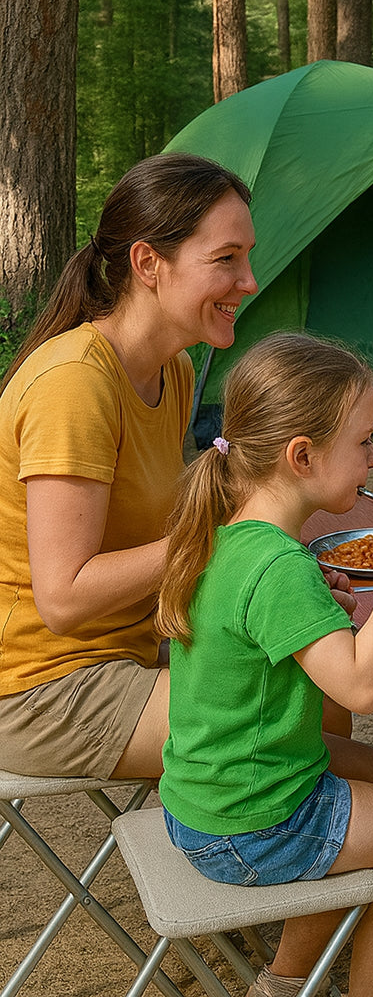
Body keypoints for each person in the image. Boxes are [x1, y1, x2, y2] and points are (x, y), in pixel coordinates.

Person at [156, 332, 373, 997]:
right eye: (365, 442)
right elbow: (363, 688)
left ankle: (287, 980)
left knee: (372, 770)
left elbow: (274, 628)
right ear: (302, 456)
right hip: (249, 823)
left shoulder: (229, 532)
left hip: (197, 799)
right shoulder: (280, 567)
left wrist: (322, 610)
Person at [0, 153, 268, 780]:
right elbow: (64, 599)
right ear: (149, 263)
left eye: (247, 256)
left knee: (316, 670)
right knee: (318, 738)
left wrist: (272, 572)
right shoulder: (75, 383)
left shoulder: (169, 369)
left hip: (133, 650)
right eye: (226, 259)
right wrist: (218, 546)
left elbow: (160, 531)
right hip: (40, 689)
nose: (249, 280)